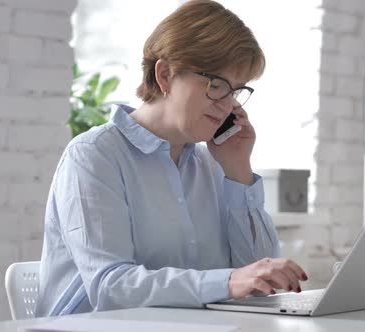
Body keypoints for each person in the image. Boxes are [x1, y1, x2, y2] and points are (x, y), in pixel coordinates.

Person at [35, 0, 307, 317]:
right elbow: (112, 287)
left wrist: (238, 172)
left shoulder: (213, 164)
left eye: (234, 91)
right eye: (216, 84)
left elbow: (261, 280)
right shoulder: (94, 156)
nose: (226, 104)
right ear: (165, 74)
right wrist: (229, 281)